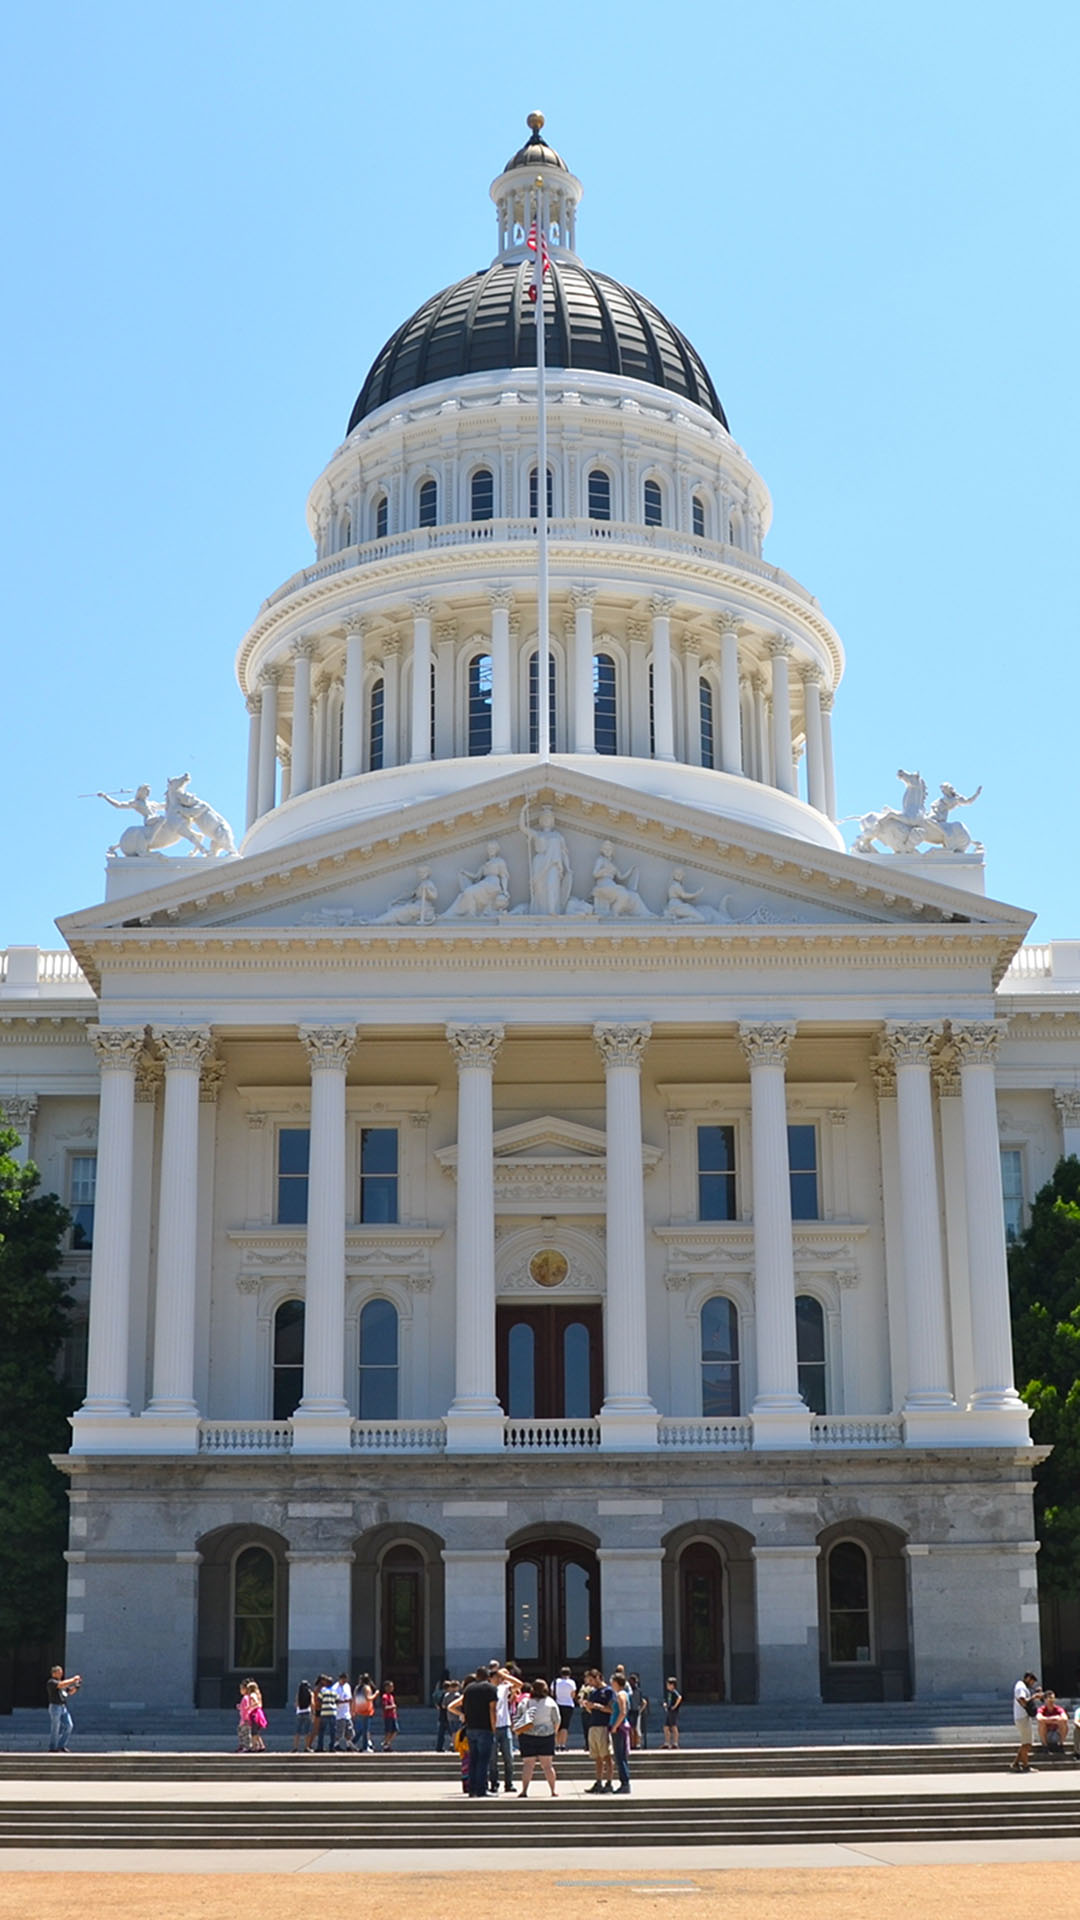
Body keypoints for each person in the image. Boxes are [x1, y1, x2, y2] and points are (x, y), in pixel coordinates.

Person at [516, 1679, 559, 1797]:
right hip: (546, 1736)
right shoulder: (550, 1702)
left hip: (527, 1736)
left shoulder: (525, 1702)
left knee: (528, 1765)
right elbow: (557, 1720)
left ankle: (524, 1790)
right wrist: (553, 1732)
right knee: (547, 1765)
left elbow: (518, 1718)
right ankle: (553, 1791)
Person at [458, 1667, 497, 1796]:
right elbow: (492, 1709)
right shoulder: (490, 1688)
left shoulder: (468, 1689)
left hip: (471, 1728)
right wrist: (494, 1726)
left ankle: (472, 1789)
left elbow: (464, 1707)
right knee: (483, 1760)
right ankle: (481, 1789)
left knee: (473, 1759)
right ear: (488, 1677)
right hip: (484, 1727)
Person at [581, 1668, 614, 1793]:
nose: (590, 1683)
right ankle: (598, 1781)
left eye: (591, 1680)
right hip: (593, 1724)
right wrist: (588, 1706)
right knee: (597, 1757)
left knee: (606, 1755)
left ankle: (609, 1782)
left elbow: (611, 1709)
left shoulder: (608, 1691)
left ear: (598, 1677)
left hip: (603, 1725)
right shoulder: (593, 1692)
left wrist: (597, 1706)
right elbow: (592, 1708)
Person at [487, 1661, 515, 1794]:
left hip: (505, 1726)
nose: (498, 1679)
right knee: (492, 1759)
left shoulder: (503, 1688)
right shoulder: (487, 1689)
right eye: (495, 1677)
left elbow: (518, 1684)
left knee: (508, 1757)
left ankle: (509, 1783)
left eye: (499, 1677)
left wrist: (504, 1675)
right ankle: (494, 1783)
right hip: (491, 1727)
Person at [1011, 1671, 1042, 1772]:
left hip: (1022, 1717)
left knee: (1026, 1742)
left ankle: (1016, 1763)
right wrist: (1034, 1697)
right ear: (1028, 1678)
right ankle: (1025, 1766)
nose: (1032, 1684)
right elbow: (1022, 1701)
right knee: (1027, 1744)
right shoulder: (1021, 1687)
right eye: (1032, 1681)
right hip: (1022, 1717)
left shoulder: (1022, 1686)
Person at [46, 1665, 81, 1754]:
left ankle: (61, 1745)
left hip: (63, 1707)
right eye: (59, 1672)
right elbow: (61, 1685)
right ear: (54, 1673)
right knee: (55, 1727)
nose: (61, 1674)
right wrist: (73, 1679)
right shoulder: (51, 1682)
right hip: (55, 1707)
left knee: (69, 1725)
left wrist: (76, 1686)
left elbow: (70, 1692)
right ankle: (53, 1747)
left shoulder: (63, 1683)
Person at [610, 1671, 631, 1793]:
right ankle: (624, 1782)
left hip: (619, 1728)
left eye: (613, 1682)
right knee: (620, 1755)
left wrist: (615, 1726)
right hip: (620, 1726)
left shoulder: (620, 1695)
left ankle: (625, 1783)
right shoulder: (623, 1694)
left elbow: (623, 1712)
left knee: (620, 1756)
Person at [1037, 1690, 1070, 1759]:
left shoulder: (1058, 1709)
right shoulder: (1042, 1709)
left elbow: (1065, 1718)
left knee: (1064, 1724)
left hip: (1057, 1733)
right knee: (1041, 1724)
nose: (1051, 1700)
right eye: (1049, 1698)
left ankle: (1060, 1745)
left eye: (1052, 1698)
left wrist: (1047, 1720)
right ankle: (1045, 1746)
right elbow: (1039, 1718)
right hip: (1046, 1733)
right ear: (1045, 1699)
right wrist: (1055, 1719)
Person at [553, 1666, 577, 1749]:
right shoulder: (571, 1682)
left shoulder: (555, 1682)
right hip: (568, 1704)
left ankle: (556, 1744)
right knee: (565, 1726)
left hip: (557, 1704)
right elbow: (573, 1694)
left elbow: (552, 1692)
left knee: (556, 1724)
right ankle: (562, 1744)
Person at [353, 1672, 376, 1751]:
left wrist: (353, 1709)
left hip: (359, 1709)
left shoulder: (357, 1688)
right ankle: (365, 1747)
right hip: (366, 1710)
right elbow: (368, 1698)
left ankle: (353, 1741)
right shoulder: (367, 1688)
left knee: (362, 1729)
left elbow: (354, 1699)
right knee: (365, 1729)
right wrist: (375, 1694)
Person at [332, 1671, 354, 1750]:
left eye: (345, 1680)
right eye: (343, 1680)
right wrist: (344, 1701)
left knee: (349, 1730)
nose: (344, 1682)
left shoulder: (347, 1686)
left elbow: (350, 1698)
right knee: (339, 1730)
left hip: (347, 1712)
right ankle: (336, 1744)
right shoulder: (335, 1688)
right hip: (339, 1713)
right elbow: (335, 1700)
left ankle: (348, 1745)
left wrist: (352, 1709)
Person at [433, 1668, 453, 1752]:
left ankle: (439, 1746)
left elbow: (435, 1696)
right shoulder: (448, 1694)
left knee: (441, 1733)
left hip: (442, 1715)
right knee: (452, 1732)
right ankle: (454, 1745)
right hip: (448, 1716)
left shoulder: (439, 1685)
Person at [316, 1675, 338, 1752]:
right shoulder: (335, 1691)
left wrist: (322, 1705)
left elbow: (319, 1700)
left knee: (321, 1730)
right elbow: (337, 1700)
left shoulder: (323, 1690)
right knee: (333, 1731)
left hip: (324, 1712)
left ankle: (320, 1747)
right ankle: (331, 1747)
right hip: (333, 1712)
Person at [662, 1676, 683, 1749]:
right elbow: (667, 1700)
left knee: (673, 1727)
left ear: (672, 1685)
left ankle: (675, 1743)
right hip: (669, 1711)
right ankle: (667, 1742)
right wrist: (665, 1704)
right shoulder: (669, 1693)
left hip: (673, 1712)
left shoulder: (674, 1692)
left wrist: (674, 1706)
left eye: (668, 1684)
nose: (667, 1686)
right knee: (666, 1727)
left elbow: (679, 1698)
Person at [627, 1673, 646, 1750]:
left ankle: (635, 1744)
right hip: (629, 1710)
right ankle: (631, 1743)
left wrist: (640, 1709)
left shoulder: (638, 1691)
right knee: (630, 1728)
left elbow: (642, 1701)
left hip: (635, 1710)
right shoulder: (628, 1690)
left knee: (634, 1728)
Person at [247, 1680, 267, 1751]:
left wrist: (250, 1707)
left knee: (253, 1732)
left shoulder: (252, 1695)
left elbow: (256, 1702)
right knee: (257, 1732)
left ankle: (254, 1747)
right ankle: (261, 1745)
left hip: (254, 1714)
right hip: (259, 1713)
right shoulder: (258, 1694)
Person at [380, 1679, 399, 1750]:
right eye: (390, 1686)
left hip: (393, 1716)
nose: (392, 1688)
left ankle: (387, 1743)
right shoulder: (385, 1696)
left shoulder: (391, 1696)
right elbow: (385, 1707)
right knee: (388, 1731)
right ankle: (386, 1745)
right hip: (388, 1716)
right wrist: (393, 1706)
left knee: (395, 1730)